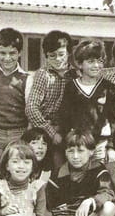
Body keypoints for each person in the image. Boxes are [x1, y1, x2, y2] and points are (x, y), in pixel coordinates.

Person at [58, 38, 115, 164]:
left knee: (99, 172)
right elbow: (64, 120)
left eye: (99, 61)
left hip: (101, 144)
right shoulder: (71, 87)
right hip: (78, 144)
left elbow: (114, 120)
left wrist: (111, 146)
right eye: (91, 61)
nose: (96, 65)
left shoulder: (108, 87)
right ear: (80, 64)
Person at [25, 30, 77, 169]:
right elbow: (31, 108)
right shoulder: (43, 75)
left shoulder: (75, 75)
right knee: (50, 164)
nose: (57, 59)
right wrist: (52, 133)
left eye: (61, 54)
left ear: (68, 53)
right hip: (43, 129)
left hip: (67, 129)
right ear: (46, 56)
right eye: (52, 56)